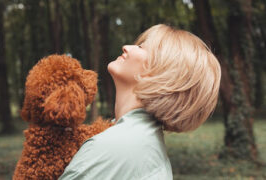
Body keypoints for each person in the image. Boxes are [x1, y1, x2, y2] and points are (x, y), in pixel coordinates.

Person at [58, 24, 221, 180]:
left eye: (142, 48)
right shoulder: (143, 143)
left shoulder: (116, 146)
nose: (127, 47)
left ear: (160, 74)